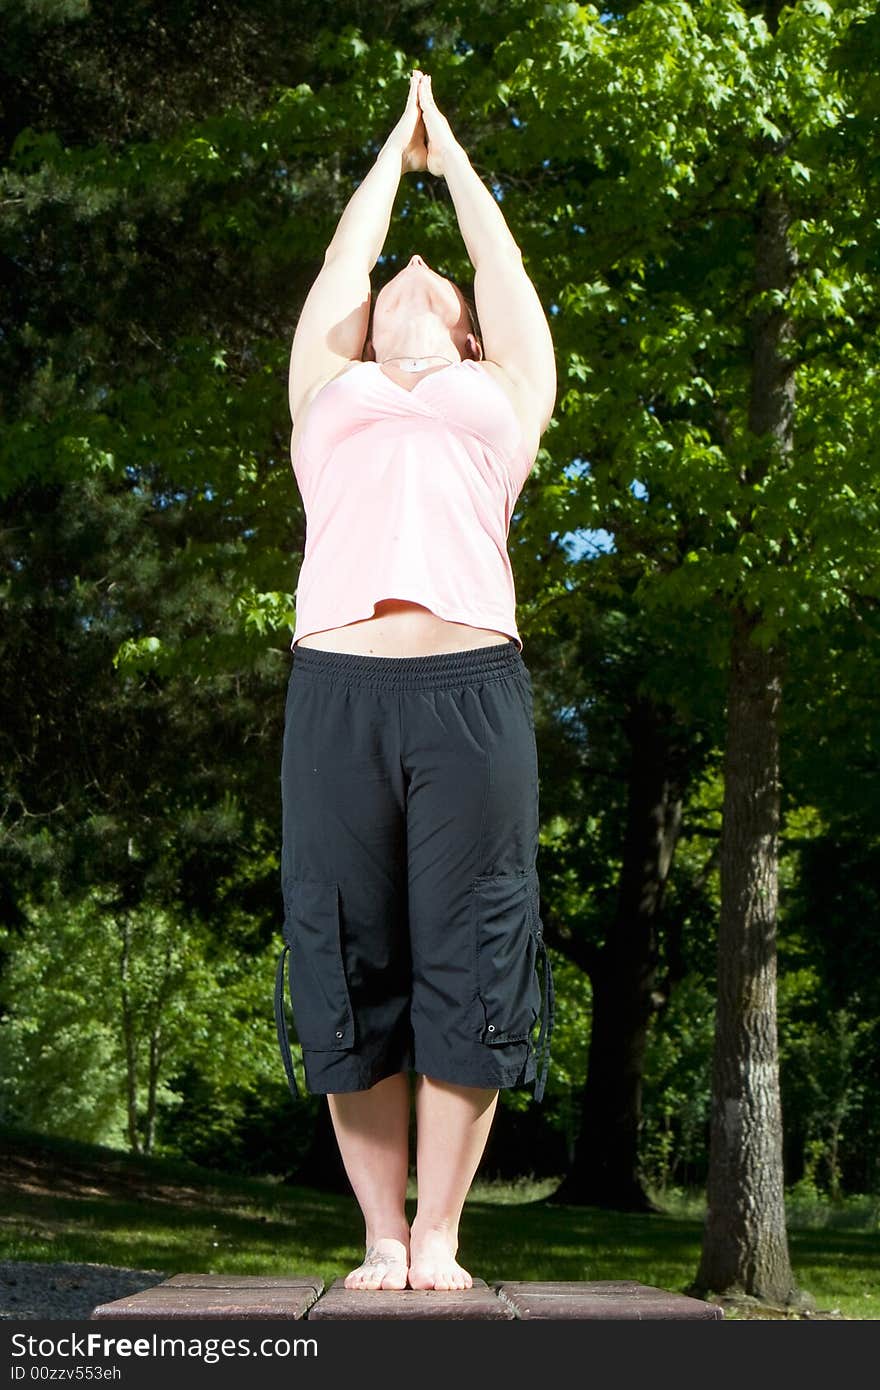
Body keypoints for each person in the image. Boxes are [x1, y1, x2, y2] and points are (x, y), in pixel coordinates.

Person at [274, 69, 557, 1294]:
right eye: (400, 275)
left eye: (437, 285)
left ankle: (438, 1231)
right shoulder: (324, 393)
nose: (412, 277)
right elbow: (348, 261)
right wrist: (395, 153)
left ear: (470, 336)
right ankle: (378, 1235)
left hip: (471, 693)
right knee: (344, 954)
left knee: (473, 952)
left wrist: (460, 165)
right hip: (335, 691)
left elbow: (502, 273)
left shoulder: (500, 396)